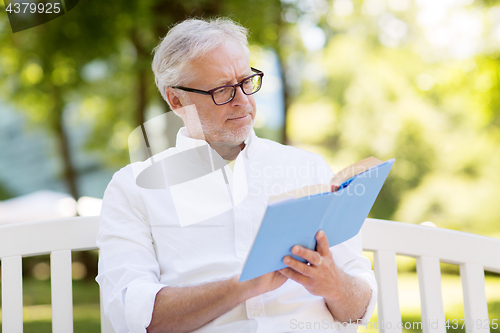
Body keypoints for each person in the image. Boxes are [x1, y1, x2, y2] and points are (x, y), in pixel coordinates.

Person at [96, 17, 377, 333]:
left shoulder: (307, 168)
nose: (243, 101)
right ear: (176, 100)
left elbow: (357, 311)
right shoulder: (133, 188)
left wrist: (333, 283)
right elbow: (133, 317)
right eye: (223, 91)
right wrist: (243, 286)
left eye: (246, 82)